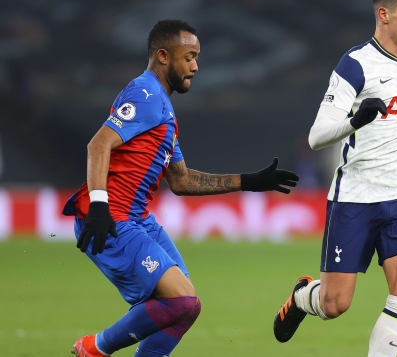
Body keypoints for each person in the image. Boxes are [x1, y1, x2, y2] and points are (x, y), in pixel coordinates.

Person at [64, 19, 299, 356]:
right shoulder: (144, 95)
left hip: (137, 219)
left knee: (185, 307)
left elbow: (181, 180)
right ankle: (94, 348)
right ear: (163, 56)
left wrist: (248, 181)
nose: (196, 66)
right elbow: (98, 145)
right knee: (180, 300)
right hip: (110, 217)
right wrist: (99, 205)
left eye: (196, 57)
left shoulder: (164, 110)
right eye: (188, 57)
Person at [272, 0, 397, 356]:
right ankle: (304, 298)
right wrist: (356, 120)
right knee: (335, 304)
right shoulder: (355, 65)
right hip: (356, 196)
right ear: (384, 15)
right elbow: (317, 136)